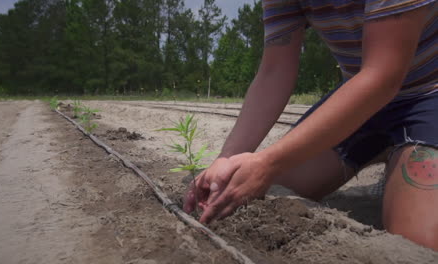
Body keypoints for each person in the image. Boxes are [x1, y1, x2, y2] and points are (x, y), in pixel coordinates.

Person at [183, 0, 438, 250]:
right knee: (263, 191)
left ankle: (398, 161)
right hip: (358, 95)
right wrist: (227, 160)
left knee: (416, 244)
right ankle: (388, 157)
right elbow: (274, 71)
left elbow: (384, 76)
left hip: (427, 94)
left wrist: (269, 162)